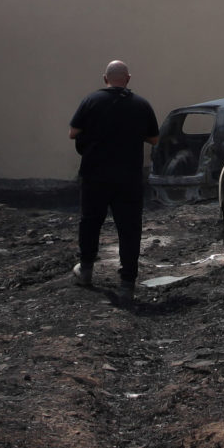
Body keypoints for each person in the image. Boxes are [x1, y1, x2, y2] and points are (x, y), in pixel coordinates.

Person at [68, 60, 158, 293]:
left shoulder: (91, 101)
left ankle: (85, 271)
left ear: (105, 78)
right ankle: (127, 282)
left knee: (90, 222)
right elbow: (154, 139)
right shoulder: (141, 105)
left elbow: (73, 132)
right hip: (128, 177)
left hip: (95, 175)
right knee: (129, 228)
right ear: (128, 79)